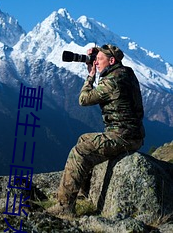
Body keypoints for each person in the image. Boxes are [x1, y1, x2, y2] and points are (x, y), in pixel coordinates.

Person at [47, 44, 145, 216]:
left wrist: (90, 76)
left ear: (112, 61)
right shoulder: (126, 73)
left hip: (122, 136)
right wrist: (98, 55)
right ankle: (84, 193)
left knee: (80, 151)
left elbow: (83, 100)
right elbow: (108, 65)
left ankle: (64, 207)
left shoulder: (112, 82)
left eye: (100, 60)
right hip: (132, 134)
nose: (96, 62)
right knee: (84, 139)